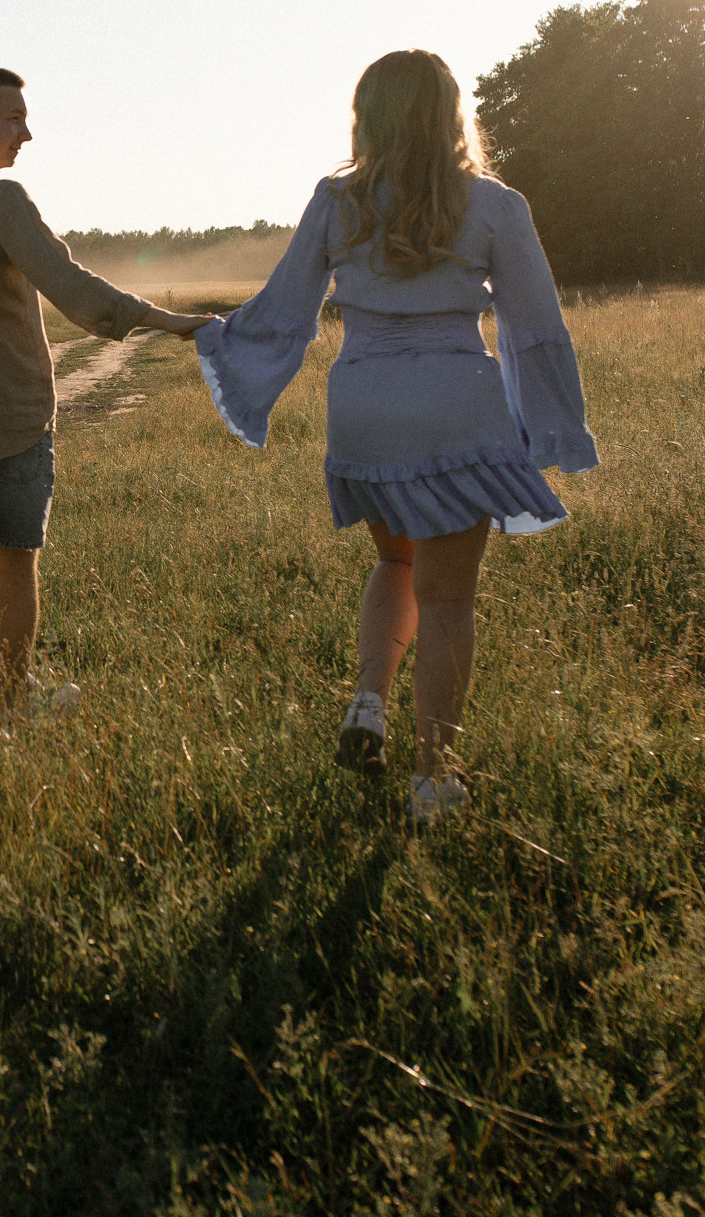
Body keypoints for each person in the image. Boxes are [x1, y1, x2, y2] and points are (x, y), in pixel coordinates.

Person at [194, 50, 597, 825]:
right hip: (455, 402)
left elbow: (283, 310)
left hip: (364, 407)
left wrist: (217, 337)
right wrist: (554, 430)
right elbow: (536, 327)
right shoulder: (495, 204)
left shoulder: (336, 200)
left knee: (395, 560)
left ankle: (369, 704)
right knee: (447, 598)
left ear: (368, 114)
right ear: (451, 114)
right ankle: (433, 778)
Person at [0, 64, 212, 766]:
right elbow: (70, 286)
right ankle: (11, 702)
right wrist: (168, 321)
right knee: (12, 567)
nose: (26, 134)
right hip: (12, 422)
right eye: (14, 119)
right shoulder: (0, 199)